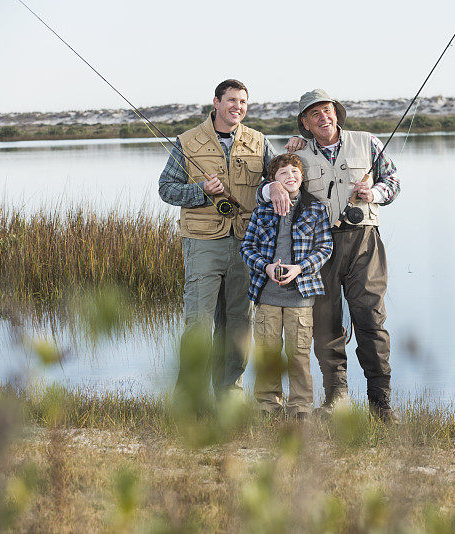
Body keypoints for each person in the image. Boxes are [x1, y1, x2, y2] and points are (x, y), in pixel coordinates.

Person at [259, 89, 401, 422]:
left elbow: (393, 180)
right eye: (315, 114)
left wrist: (375, 192)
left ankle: (380, 404)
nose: (324, 118)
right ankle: (337, 399)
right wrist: (274, 187)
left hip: (365, 242)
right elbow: (267, 186)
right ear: (305, 124)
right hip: (316, 248)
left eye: (328, 111)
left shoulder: (368, 142)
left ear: (336, 113)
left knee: (371, 321)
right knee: (325, 325)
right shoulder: (296, 154)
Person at [159, 79, 279, 399]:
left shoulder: (259, 141)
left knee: (239, 323)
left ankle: (230, 395)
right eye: (231, 100)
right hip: (202, 243)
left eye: (242, 102)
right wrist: (201, 191)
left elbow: (280, 179)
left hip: (245, 243)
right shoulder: (187, 141)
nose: (237, 107)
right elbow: (166, 189)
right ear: (216, 102)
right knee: (198, 323)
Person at [241, 153, 333, 419]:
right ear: (273, 181)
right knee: (268, 352)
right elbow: (247, 247)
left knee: (299, 354)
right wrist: (265, 266)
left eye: (295, 172)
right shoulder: (262, 210)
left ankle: (300, 406)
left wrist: (300, 268)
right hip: (267, 295)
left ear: (302, 177)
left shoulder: (316, 208)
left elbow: (325, 247)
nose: (290, 177)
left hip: (301, 296)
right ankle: (268, 405)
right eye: (283, 173)